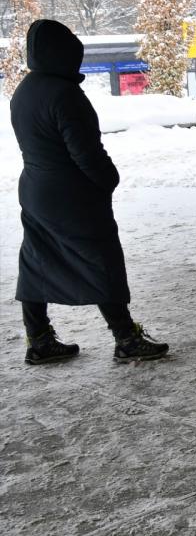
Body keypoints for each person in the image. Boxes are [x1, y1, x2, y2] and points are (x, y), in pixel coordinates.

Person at [11, 20, 169, 365]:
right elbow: (85, 152)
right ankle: (126, 337)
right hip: (72, 195)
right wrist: (108, 178)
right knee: (102, 259)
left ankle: (39, 339)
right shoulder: (65, 95)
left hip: (35, 190)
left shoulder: (25, 90)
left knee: (37, 260)